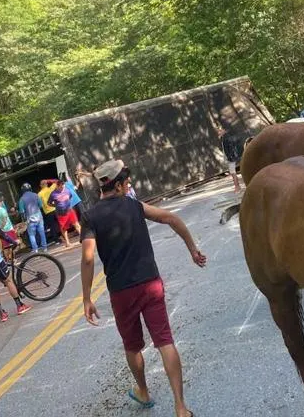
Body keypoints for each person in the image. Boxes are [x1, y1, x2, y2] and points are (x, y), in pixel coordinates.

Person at [80, 159, 205, 417]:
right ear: (117, 184)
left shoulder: (90, 216)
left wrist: (86, 298)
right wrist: (192, 248)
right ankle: (181, 407)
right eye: (126, 182)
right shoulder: (135, 206)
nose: (129, 186)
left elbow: (88, 257)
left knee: (132, 346)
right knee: (165, 341)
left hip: (121, 291)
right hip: (151, 284)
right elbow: (170, 217)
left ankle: (143, 391)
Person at [47, 179, 81, 247]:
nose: (63, 188)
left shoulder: (67, 190)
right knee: (64, 228)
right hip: (61, 213)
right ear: (57, 186)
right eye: (61, 187)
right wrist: (55, 205)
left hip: (69, 210)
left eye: (63, 186)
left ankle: (83, 238)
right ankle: (67, 242)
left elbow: (70, 196)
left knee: (76, 224)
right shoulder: (53, 194)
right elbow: (49, 203)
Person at [18, 183, 48, 253]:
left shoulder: (21, 199)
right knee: (42, 232)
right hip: (39, 217)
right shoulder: (36, 195)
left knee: (32, 235)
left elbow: (22, 212)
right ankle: (45, 247)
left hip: (30, 219)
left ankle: (35, 249)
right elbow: (40, 205)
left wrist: (24, 220)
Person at [0, 194, 20, 262]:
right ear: (1, 202)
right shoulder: (2, 210)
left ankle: (8, 260)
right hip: (8, 229)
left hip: (1, 232)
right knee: (14, 244)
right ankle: (12, 259)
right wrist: (2, 226)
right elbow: (5, 219)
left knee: (5, 247)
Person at [217, 125, 243, 194]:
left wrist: (230, 157)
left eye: (220, 130)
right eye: (218, 131)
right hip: (229, 158)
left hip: (231, 158)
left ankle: (237, 187)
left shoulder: (226, 138)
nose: (219, 132)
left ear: (224, 130)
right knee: (232, 173)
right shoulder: (224, 138)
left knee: (233, 173)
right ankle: (237, 186)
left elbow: (231, 148)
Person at [39, 178, 60, 245]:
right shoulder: (50, 189)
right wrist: (48, 180)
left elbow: (40, 205)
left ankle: (56, 240)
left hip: (48, 212)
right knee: (60, 223)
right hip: (56, 209)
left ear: (41, 185)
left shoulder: (39, 194)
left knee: (52, 226)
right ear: (46, 184)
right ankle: (65, 237)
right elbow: (57, 181)